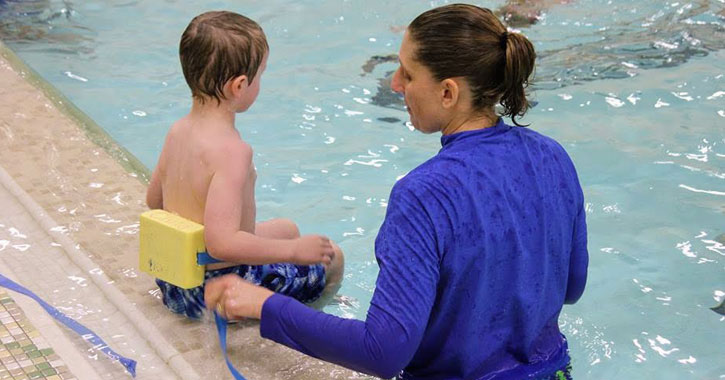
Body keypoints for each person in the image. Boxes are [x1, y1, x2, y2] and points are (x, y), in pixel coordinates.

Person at [204, 4, 588, 379]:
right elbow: (572, 287)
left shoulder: (424, 194)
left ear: (448, 93)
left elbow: (383, 352)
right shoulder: (552, 155)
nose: (394, 83)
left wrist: (266, 305)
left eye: (407, 73)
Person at [145, 11, 344, 320]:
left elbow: (154, 202)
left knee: (288, 228)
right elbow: (222, 243)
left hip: (175, 281)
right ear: (239, 86)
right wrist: (293, 252)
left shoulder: (178, 131)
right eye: (260, 75)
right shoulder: (232, 151)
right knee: (332, 257)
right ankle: (310, 312)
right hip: (216, 293)